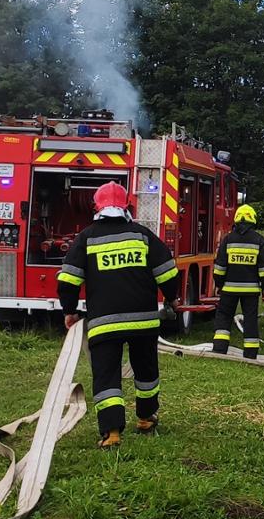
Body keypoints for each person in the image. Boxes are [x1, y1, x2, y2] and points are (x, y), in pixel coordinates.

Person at [59, 181, 179, 450]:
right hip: (143, 322)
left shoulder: (86, 238)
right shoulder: (142, 235)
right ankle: (147, 418)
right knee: (146, 371)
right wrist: (173, 298)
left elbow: (67, 280)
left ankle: (111, 433)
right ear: (127, 206)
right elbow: (168, 271)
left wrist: (69, 311)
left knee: (106, 376)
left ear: (96, 207)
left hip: (104, 324)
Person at [211, 204, 264, 360]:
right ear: (253, 220)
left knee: (224, 317)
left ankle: (219, 350)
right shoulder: (260, 241)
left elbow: (219, 267)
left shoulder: (228, 239)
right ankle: (251, 354)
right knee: (250, 319)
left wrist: (218, 284)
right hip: (251, 291)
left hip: (229, 289)